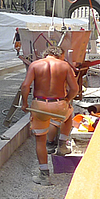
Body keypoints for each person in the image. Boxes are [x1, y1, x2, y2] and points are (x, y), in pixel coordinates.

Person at [20, 45, 79, 186]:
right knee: (69, 114)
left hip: (40, 104)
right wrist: (67, 100)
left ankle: (44, 174)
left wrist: (24, 104)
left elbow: (25, 86)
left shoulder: (35, 65)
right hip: (58, 104)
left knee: (40, 141)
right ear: (59, 55)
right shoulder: (64, 66)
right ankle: (62, 144)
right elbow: (74, 89)